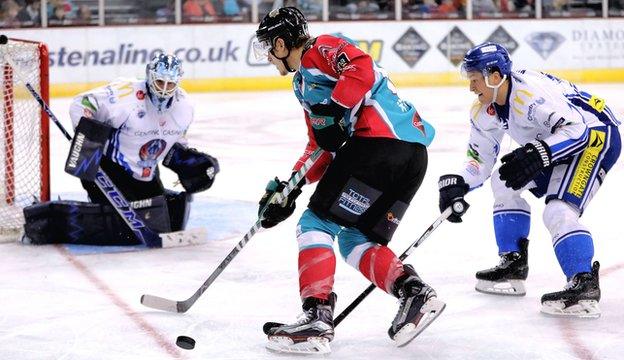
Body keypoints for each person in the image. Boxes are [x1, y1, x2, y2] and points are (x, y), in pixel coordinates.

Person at [253, 7, 449, 354]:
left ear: (282, 44)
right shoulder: (303, 85)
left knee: (315, 223)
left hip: (378, 146)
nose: (268, 56)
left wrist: (336, 107)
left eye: (269, 47)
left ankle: (316, 318)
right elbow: (320, 146)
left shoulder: (321, 49)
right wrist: (290, 187)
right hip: (409, 158)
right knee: (355, 240)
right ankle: (414, 294)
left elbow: (362, 67)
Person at [438, 42, 621, 317]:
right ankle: (513, 263)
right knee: (503, 181)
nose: (471, 88)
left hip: (595, 137)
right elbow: (481, 160)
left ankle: (583, 283)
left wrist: (541, 153)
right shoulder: (484, 110)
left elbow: (578, 130)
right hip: (559, 140)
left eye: (475, 80)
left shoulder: (530, 95)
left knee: (558, 209)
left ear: (495, 76)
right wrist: (460, 183)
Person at [22, 54, 219, 247]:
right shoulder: (125, 95)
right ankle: (45, 220)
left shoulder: (184, 108)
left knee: (163, 218)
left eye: (170, 85)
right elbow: (83, 103)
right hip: (108, 167)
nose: (164, 91)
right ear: (150, 77)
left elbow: (172, 146)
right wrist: (88, 136)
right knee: (118, 225)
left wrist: (189, 163)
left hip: (146, 172)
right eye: (160, 82)